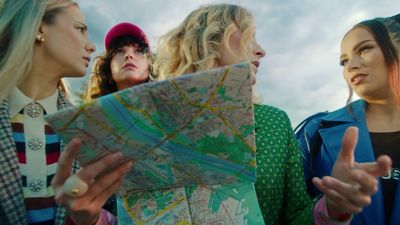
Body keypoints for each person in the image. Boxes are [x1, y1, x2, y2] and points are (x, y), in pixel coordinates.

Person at [156, 4, 391, 225]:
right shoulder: (148, 123)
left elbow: (295, 215)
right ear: (210, 41)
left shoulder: (275, 122)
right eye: (249, 37)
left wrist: (332, 207)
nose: (261, 51)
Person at [0, 1, 132, 224]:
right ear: (39, 29)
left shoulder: (94, 128)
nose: (91, 46)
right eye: (80, 29)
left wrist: (91, 220)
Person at [297, 14, 399, 225]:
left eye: (364, 49)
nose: (351, 65)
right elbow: (285, 215)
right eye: (343, 61)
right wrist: (329, 210)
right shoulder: (314, 131)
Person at [85, 22, 156, 101]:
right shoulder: (94, 112)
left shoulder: (170, 104)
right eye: (120, 51)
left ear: (150, 65)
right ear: (108, 68)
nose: (128, 55)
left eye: (139, 51)